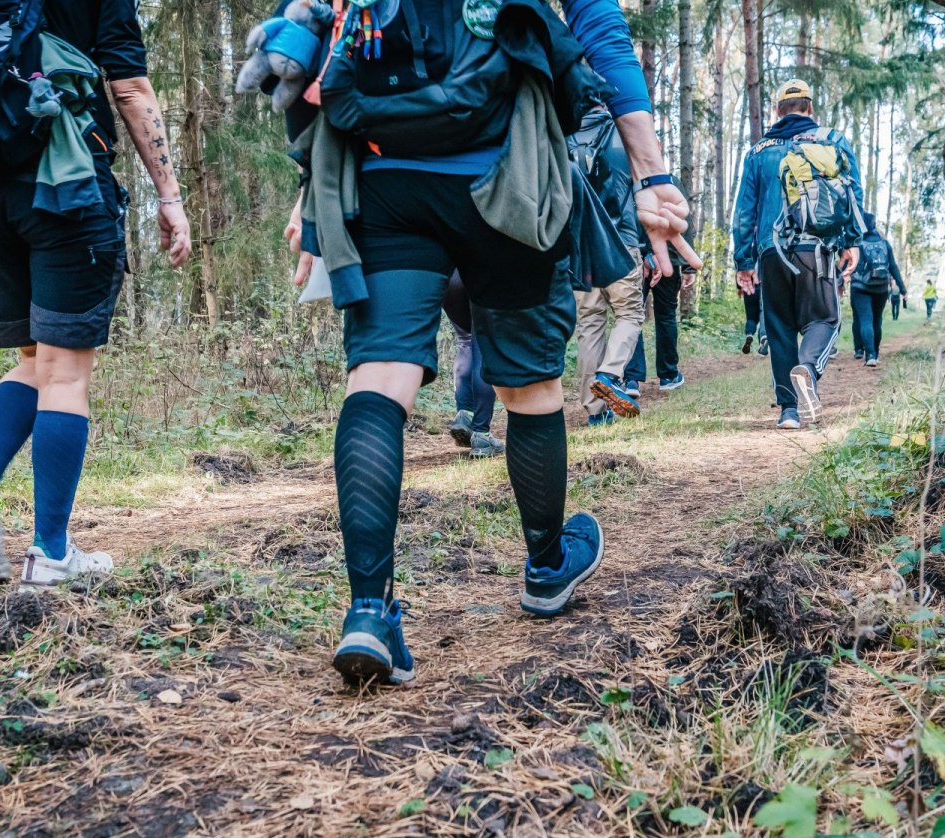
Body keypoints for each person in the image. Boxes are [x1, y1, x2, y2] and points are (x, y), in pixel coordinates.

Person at [279, 0, 699, 685]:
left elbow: (313, 42)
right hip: (511, 169)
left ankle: (367, 612)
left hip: (386, 175)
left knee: (380, 377)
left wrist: (311, 181)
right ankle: (545, 564)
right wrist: (649, 174)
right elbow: (601, 37)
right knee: (530, 384)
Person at [0, 0, 192, 586]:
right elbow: (129, 89)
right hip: (62, 187)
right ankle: (50, 552)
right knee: (66, 374)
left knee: (37, 363)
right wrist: (170, 197)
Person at [732, 79, 862, 429]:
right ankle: (808, 366)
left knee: (778, 327)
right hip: (816, 246)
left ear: (778, 110)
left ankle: (789, 411)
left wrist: (744, 262)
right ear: (809, 107)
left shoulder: (758, 151)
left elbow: (745, 210)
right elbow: (853, 193)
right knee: (825, 319)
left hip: (772, 250)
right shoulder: (832, 140)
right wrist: (852, 242)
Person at [570, 107, 647, 425]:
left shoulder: (564, 135)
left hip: (582, 246)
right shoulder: (625, 131)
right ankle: (610, 374)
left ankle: (594, 412)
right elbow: (644, 190)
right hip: (621, 240)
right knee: (630, 313)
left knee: (589, 324)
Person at [625, 212, 696, 393]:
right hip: (666, 256)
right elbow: (684, 223)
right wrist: (688, 265)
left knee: (630, 315)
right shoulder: (672, 183)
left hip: (635, 255)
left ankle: (631, 379)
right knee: (665, 315)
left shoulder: (628, 183)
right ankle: (668, 375)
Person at [444, 274, 506, 456]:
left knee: (465, 340)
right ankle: (481, 434)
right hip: (478, 270)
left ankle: (465, 414)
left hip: (449, 277)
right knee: (483, 345)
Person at [850, 212, 905, 367]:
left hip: (860, 287)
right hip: (881, 287)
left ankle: (870, 355)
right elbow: (893, 267)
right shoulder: (884, 243)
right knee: (877, 321)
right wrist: (902, 288)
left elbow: (848, 262)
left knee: (865, 320)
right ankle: (876, 353)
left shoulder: (857, 242)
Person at [741, 286, 762, 354]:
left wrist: (740, 288)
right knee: (763, 318)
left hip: (749, 290)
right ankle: (762, 342)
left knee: (751, 318)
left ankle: (749, 334)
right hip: (762, 290)